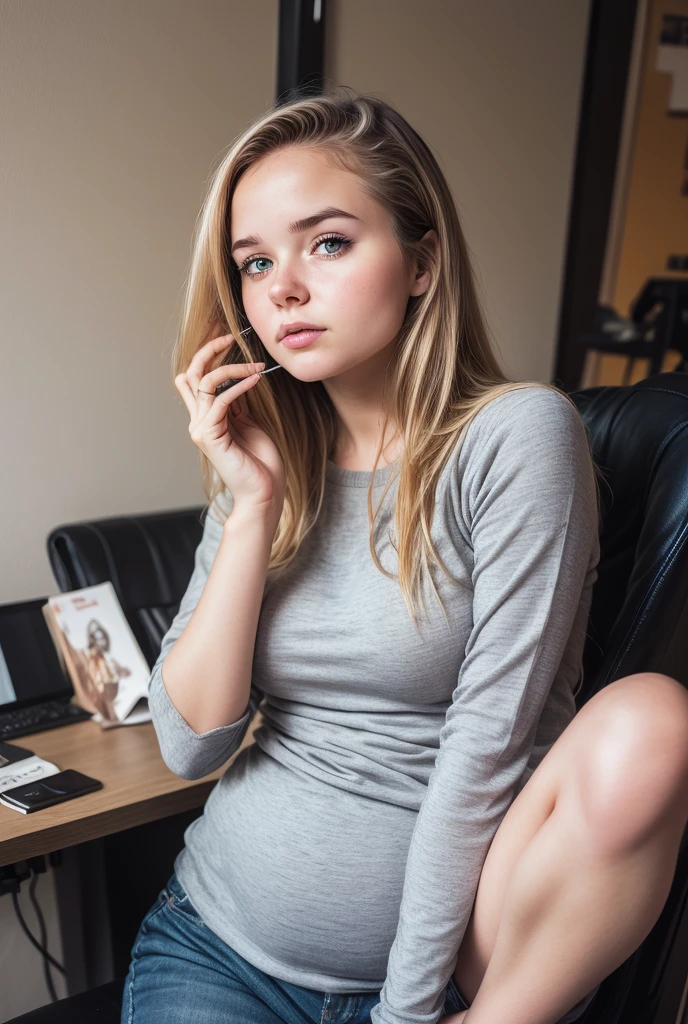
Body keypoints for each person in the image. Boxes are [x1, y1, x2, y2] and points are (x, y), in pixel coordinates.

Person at [120, 88, 688, 1024]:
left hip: (439, 976)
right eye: (254, 262)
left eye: (328, 243)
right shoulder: (265, 461)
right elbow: (190, 744)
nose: (282, 289)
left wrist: (409, 1009)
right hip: (216, 943)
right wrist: (255, 501)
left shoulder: (513, 438)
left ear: (421, 261)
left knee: (651, 715)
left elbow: (487, 748)